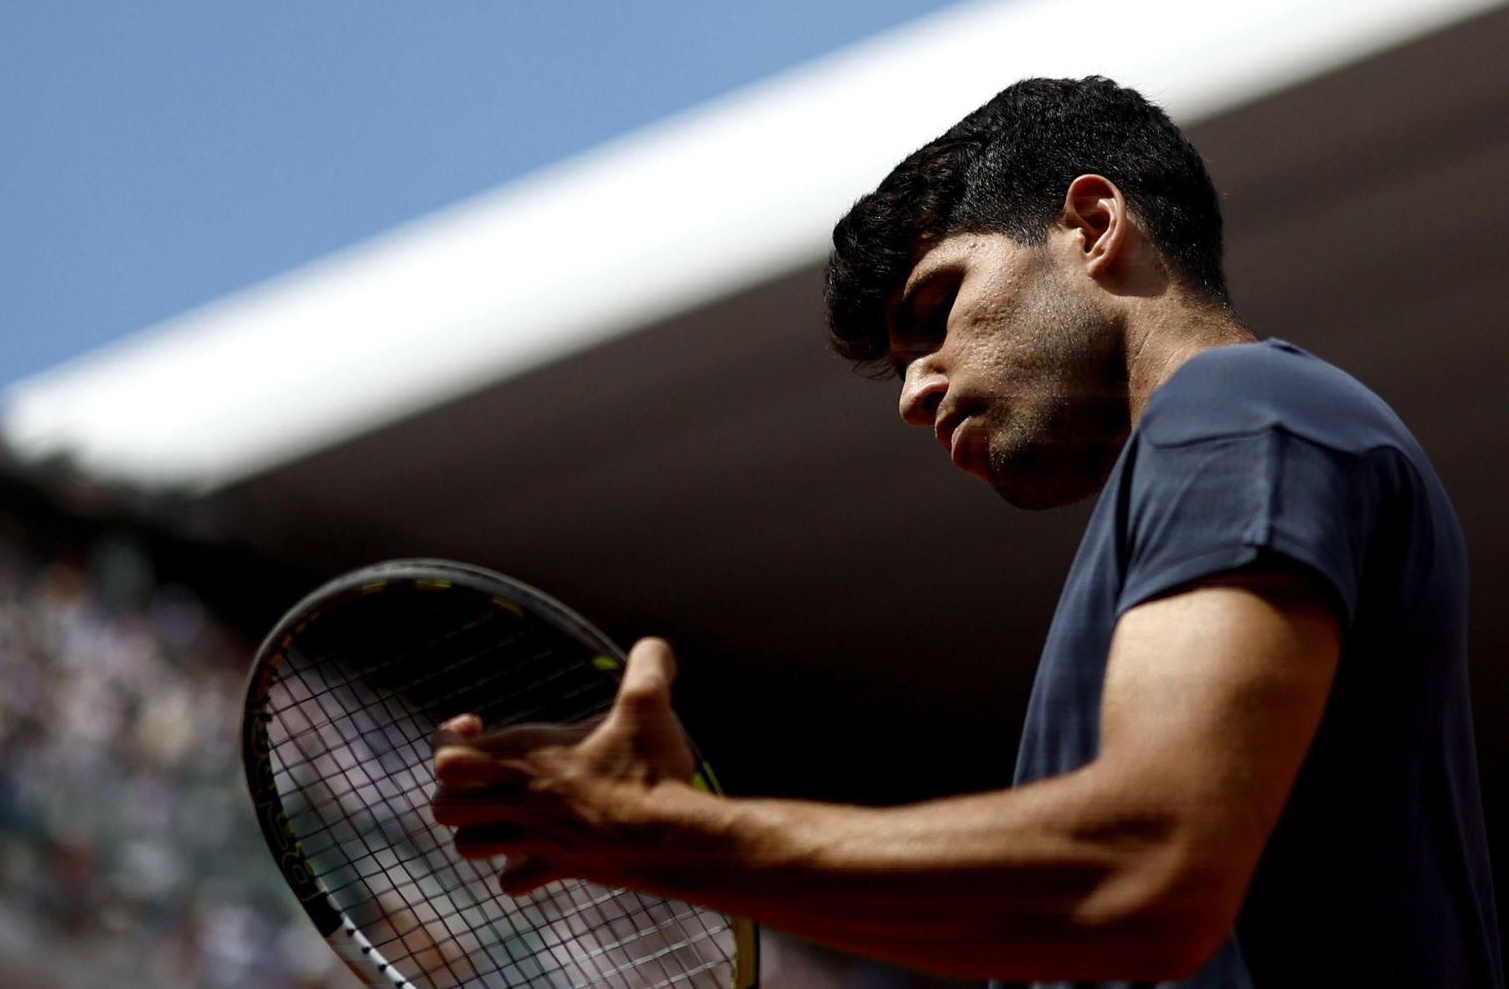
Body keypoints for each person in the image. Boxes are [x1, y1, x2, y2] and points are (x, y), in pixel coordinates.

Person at [431, 77, 1501, 986]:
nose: (914, 392)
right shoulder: (1216, 456)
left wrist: (674, 838)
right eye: (899, 369)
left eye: (937, 311)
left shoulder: (1238, 412)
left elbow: (1150, 871)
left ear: (1092, 226)